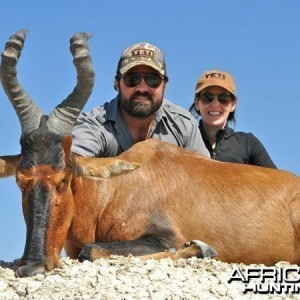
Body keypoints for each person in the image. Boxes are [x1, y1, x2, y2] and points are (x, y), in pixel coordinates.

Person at [72, 42, 209, 158]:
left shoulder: (183, 126)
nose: (142, 88)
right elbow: (72, 164)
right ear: (117, 84)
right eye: (132, 79)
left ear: (164, 86)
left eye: (152, 79)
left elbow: (206, 177)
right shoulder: (95, 125)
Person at [189, 69, 276, 168]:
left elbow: (276, 180)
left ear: (233, 104)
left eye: (223, 98)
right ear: (197, 103)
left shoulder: (248, 143)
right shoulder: (184, 140)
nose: (215, 104)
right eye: (207, 97)